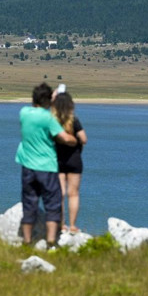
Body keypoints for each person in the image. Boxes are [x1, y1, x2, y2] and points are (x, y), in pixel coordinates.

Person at [15, 82, 77, 247]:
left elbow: (36, 111)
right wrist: (74, 140)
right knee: (53, 204)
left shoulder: (24, 113)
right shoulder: (48, 118)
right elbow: (63, 138)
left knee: (29, 204)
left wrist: (51, 98)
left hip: (27, 165)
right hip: (46, 166)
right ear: (48, 100)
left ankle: (27, 242)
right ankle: (51, 242)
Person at [52, 92, 88, 233]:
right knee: (73, 194)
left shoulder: (53, 121)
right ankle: (73, 226)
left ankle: (61, 224)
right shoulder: (74, 120)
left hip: (57, 160)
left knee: (59, 194)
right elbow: (84, 139)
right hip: (74, 160)